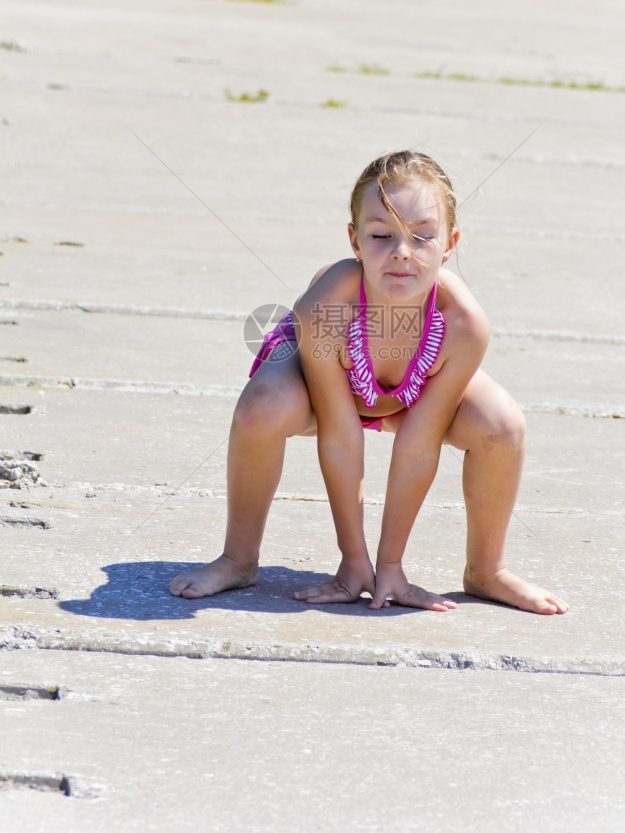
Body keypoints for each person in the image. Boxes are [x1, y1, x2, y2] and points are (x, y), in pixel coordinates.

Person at [170, 151, 568, 614]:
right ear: (354, 240)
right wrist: (354, 560)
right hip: (323, 383)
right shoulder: (327, 307)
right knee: (261, 408)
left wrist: (391, 565)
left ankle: (487, 570)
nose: (402, 251)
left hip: (410, 391)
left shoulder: (462, 323)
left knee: (501, 423)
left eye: (422, 237)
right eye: (381, 235)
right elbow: (341, 435)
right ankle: (238, 557)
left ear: (450, 243)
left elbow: (420, 443)